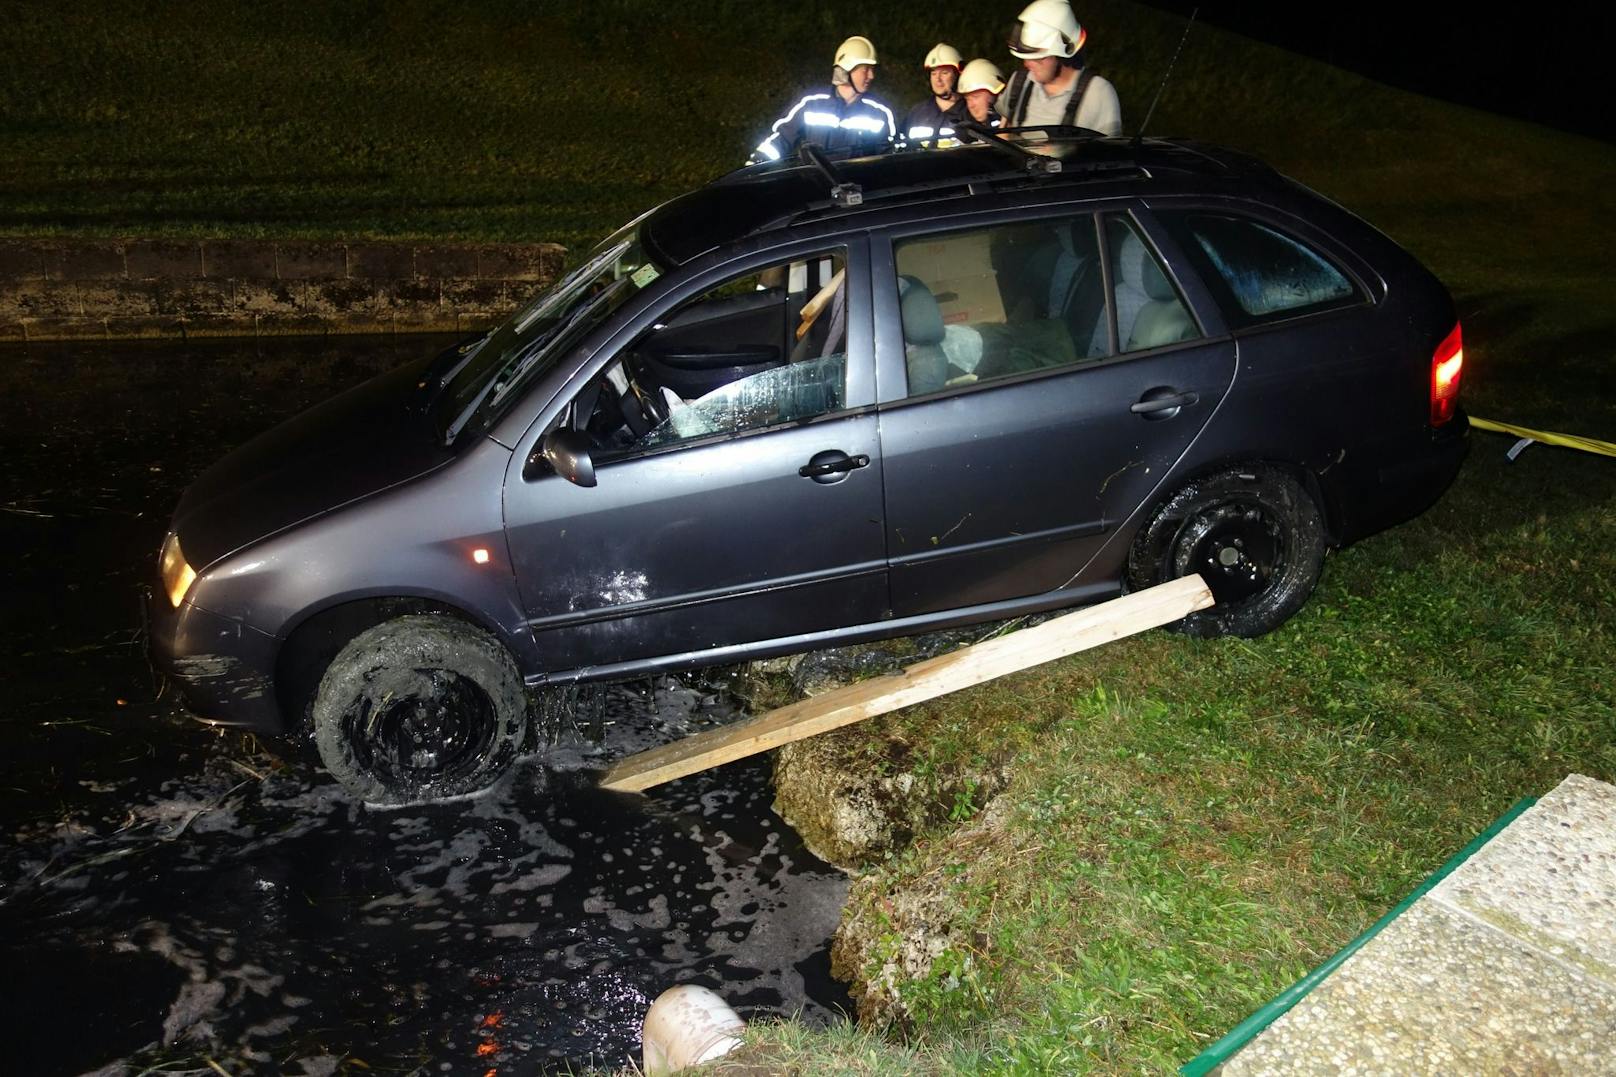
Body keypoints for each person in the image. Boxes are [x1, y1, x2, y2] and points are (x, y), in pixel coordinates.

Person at [752, 36, 898, 163]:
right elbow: (781, 139)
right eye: (865, 69)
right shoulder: (811, 102)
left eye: (872, 69)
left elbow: (891, 156)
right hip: (814, 187)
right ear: (846, 70)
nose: (871, 76)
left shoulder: (880, 111)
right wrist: (754, 168)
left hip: (860, 189)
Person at [997, 0, 1121, 135]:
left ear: (1064, 52)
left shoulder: (1098, 93)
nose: (1027, 64)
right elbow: (1003, 127)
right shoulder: (1019, 82)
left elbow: (1111, 153)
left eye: (1038, 58)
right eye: (1026, 57)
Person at [903, 44, 967, 144]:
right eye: (934, 73)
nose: (938, 79)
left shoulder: (971, 113)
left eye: (944, 73)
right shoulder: (917, 113)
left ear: (958, 75)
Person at [958, 58, 1007, 134]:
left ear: (995, 95)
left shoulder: (1018, 123)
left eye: (976, 97)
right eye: (967, 99)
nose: (971, 105)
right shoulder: (963, 130)